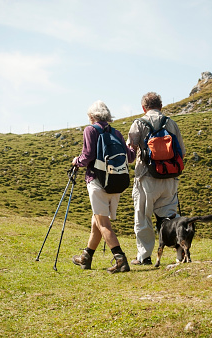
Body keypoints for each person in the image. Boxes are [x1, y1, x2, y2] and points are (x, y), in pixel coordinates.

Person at [71, 100, 135, 273]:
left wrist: (76, 161)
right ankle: (86, 257)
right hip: (115, 182)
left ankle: (120, 259)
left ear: (92, 116)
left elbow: (88, 156)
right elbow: (130, 157)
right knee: (96, 221)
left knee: (103, 223)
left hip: (97, 181)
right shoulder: (116, 133)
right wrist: (133, 145)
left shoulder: (90, 130)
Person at [127, 92, 186, 265]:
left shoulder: (138, 123)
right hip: (169, 178)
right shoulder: (171, 123)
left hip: (146, 178)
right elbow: (181, 152)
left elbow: (130, 151)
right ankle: (179, 250)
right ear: (161, 106)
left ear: (144, 108)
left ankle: (144, 256)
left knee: (143, 217)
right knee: (169, 217)